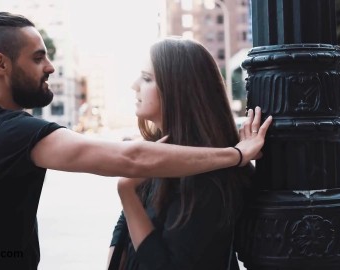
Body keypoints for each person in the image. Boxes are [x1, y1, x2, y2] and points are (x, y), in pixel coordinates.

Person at [0, 12, 271, 270]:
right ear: (0, 64)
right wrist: (236, 155)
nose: (50, 67)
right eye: (37, 58)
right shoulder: (9, 132)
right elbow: (131, 159)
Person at [107, 37, 260, 270]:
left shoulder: (207, 180)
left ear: (177, 90)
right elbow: (125, 227)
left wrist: (126, 191)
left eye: (147, 79)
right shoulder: (156, 152)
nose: (134, 85)